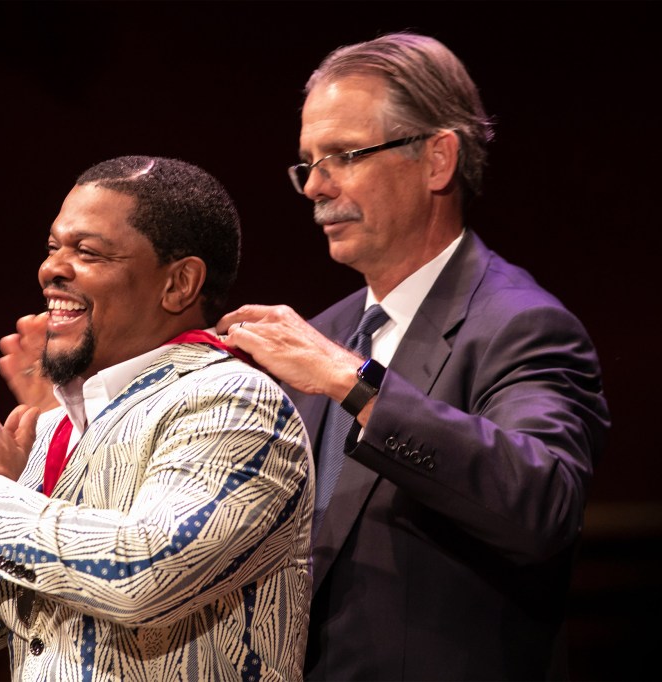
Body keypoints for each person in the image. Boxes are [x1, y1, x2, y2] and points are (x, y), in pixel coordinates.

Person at [216, 32, 611, 680]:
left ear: (437, 160)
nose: (315, 186)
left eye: (343, 155)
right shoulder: (327, 331)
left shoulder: (522, 325)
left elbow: (544, 502)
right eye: (308, 162)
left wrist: (357, 383)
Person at [0, 155, 314, 681]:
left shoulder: (235, 402)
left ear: (179, 284)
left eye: (87, 252)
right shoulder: (53, 430)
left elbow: (143, 572)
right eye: (52, 248)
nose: (51, 270)